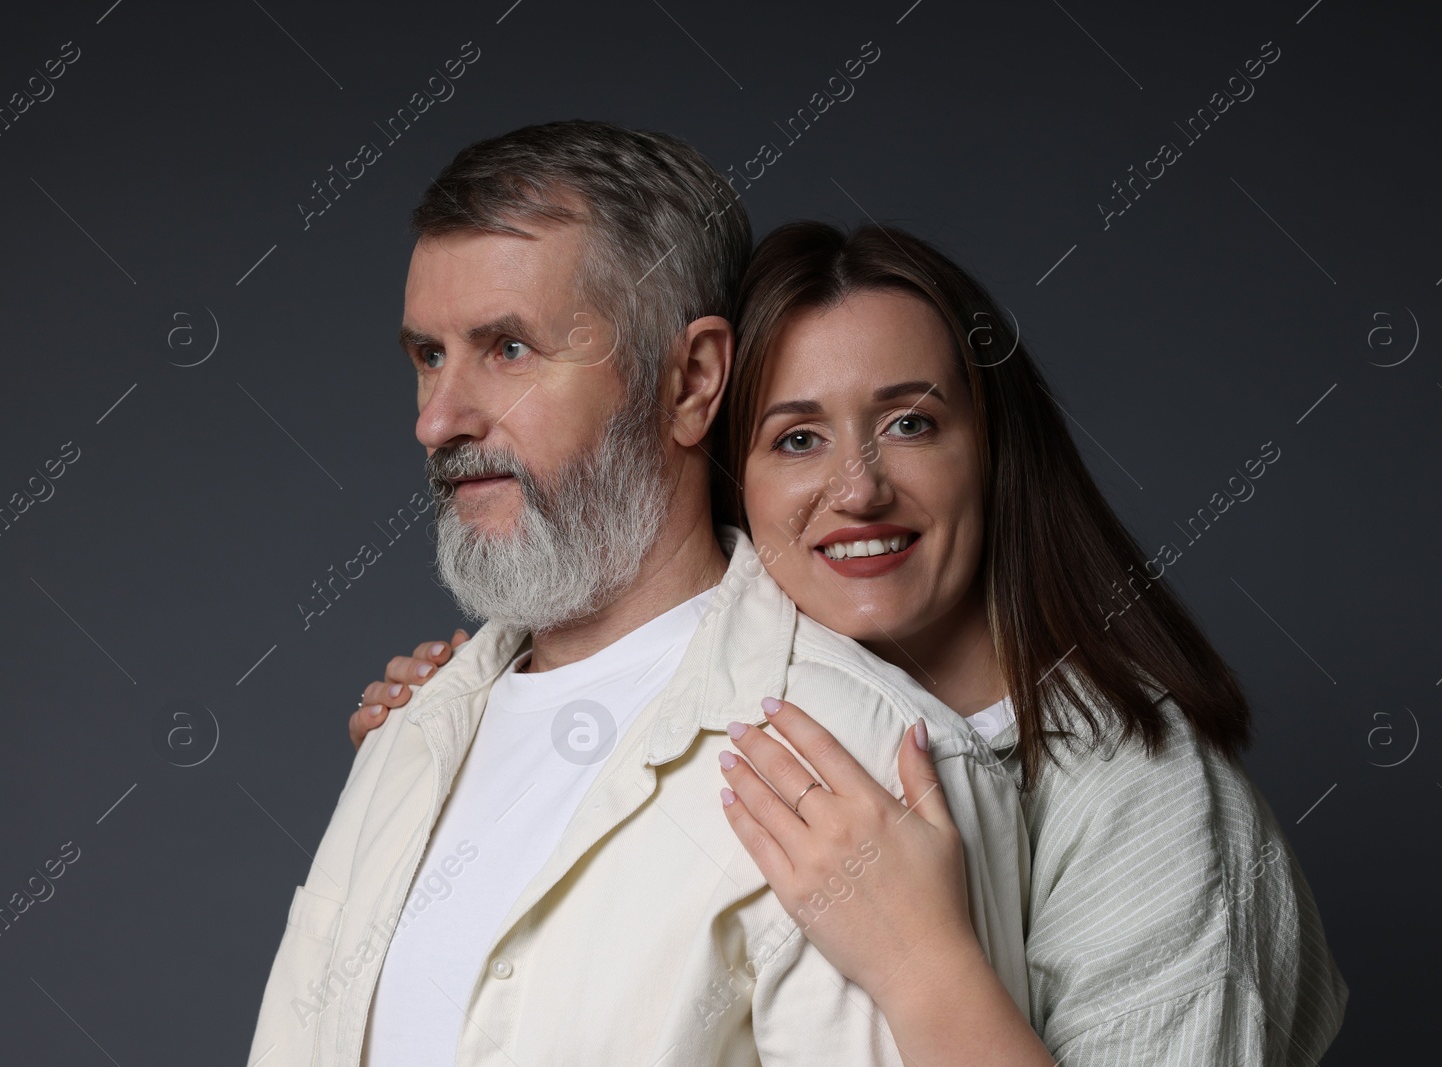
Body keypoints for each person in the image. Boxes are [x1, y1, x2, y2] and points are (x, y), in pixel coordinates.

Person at [352, 220, 1351, 1063]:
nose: (859, 486)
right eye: (796, 438)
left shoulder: (1140, 789)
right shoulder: (746, 723)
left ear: (994, 451)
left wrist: (925, 961)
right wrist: (473, 752)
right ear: (730, 475)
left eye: (910, 423)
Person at [245, 121, 1037, 1067]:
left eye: (508, 349)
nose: (437, 419)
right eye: (428, 355)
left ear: (691, 380)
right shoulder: (409, 734)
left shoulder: (866, 762)